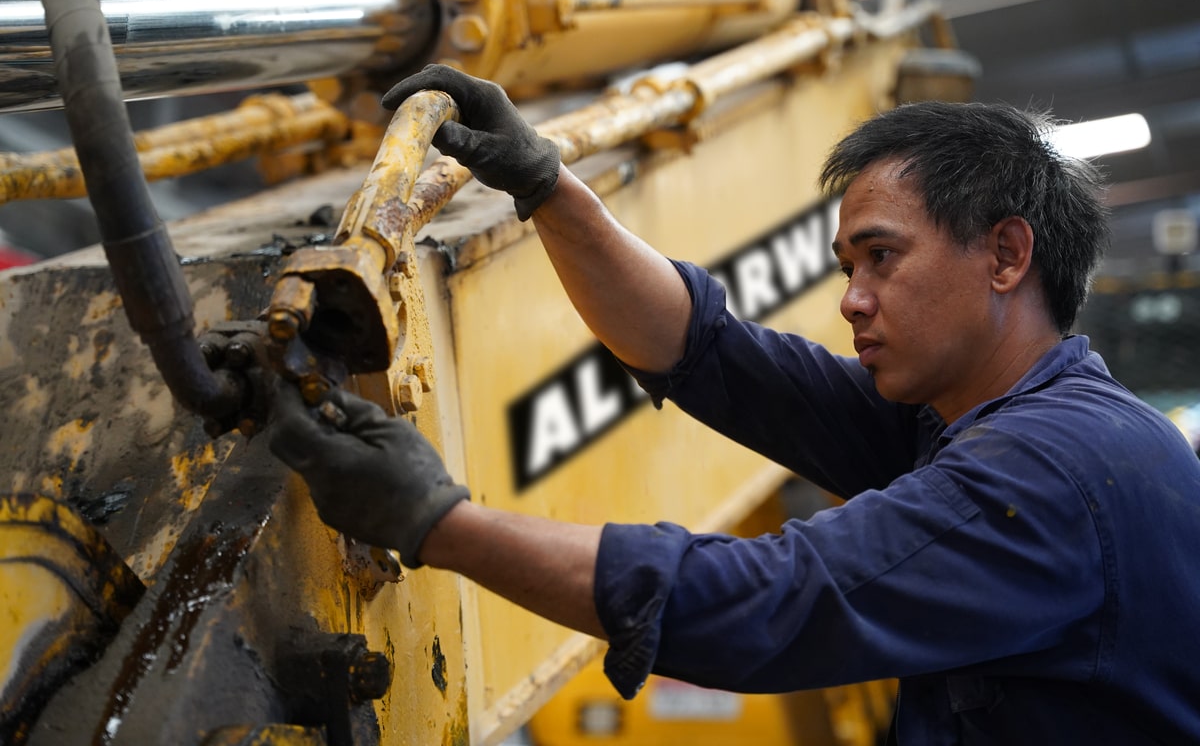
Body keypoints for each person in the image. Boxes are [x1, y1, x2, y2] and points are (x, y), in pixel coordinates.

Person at [267, 64, 1200, 745]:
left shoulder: (1053, 469)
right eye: (847, 267)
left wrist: (437, 522)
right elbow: (713, 354)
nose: (852, 298)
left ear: (1005, 255)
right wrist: (546, 187)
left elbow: (779, 601)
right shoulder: (964, 423)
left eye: (882, 257)